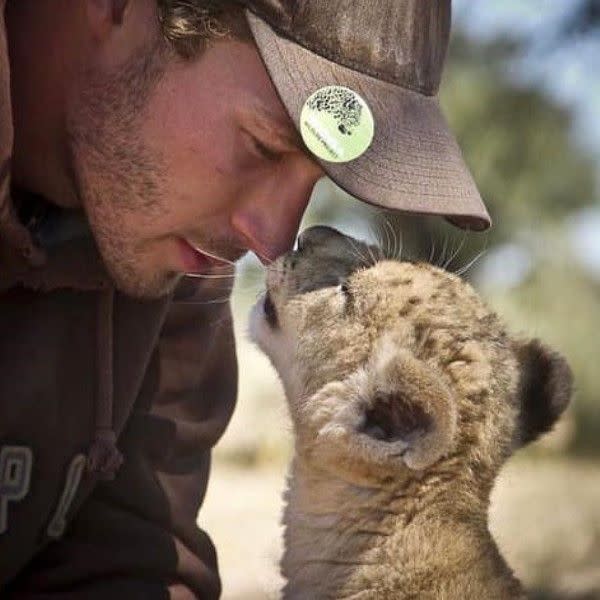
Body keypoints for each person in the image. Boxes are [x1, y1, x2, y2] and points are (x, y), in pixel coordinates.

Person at [0, 0, 490, 597]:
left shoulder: (170, 260)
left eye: (318, 179)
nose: (273, 240)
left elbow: (127, 568)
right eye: (262, 146)